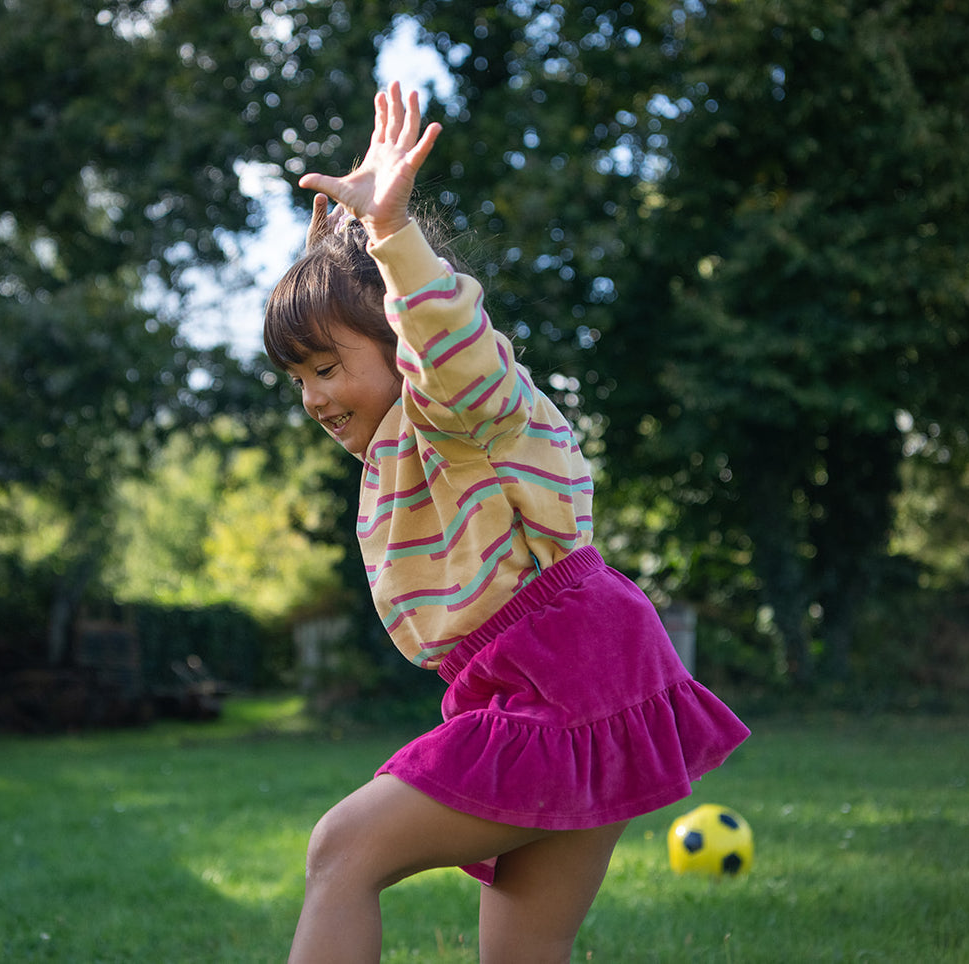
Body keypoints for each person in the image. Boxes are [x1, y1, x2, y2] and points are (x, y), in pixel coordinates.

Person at [263, 81, 750, 964]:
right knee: (523, 953)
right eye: (300, 377)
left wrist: (389, 237)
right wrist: (336, 254)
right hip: (574, 673)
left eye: (328, 368)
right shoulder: (403, 445)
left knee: (341, 851)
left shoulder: (458, 405)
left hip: (564, 677)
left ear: (401, 342)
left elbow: (439, 338)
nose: (314, 398)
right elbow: (377, 338)